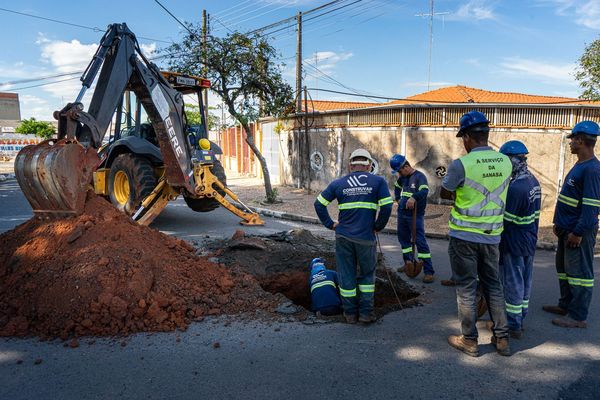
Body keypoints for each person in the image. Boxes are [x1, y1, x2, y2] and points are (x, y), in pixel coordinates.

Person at [441, 110, 513, 357]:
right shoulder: (506, 162)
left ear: (467, 138)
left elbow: (445, 192)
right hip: (493, 236)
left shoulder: (461, 164)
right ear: (487, 134)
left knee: (467, 289)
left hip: (464, 236)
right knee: (494, 286)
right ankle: (502, 338)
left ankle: (469, 340)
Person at [314, 149, 393, 324]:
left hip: (343, 238)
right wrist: (377, 226)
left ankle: (349, 314)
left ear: (350, 166)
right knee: (366, 276)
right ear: (370, 165)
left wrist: (330, 224)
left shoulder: (338, 183)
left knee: (346, 275)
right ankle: (366, 314)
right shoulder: (378, 181)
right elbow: (387, 207)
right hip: (366, 238)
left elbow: (319, 204)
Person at [543, 120, 600, 328]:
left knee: (580, 274)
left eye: (572, 140)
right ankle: (565, 304)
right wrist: (558, 222)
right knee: (564, 269)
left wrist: (578, 232)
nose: (570, 143)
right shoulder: (580, 165)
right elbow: (569, 199)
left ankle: (578, 316)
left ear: (581, 141)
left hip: (578, 232)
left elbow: (591, 208)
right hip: (566, 229)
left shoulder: (592, 170)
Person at [498, 140, 542, 338]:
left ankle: (513, 324)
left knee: (513, 282)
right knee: (525, 281)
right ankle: (521, 316)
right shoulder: (533, 181)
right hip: (529, 239)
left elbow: (507, 221)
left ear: (512, 161)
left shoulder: (516, 188)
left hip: (515, 241)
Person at [390, 154, 435, 283]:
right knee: (404, 240)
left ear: (406, 166)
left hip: (415, 215)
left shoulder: (420, 177)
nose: (399, 174)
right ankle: (408, 263)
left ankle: (429, 271)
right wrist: (398, 199)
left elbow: (424, 191)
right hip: (402, 213)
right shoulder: (402, 178)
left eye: (399, 171)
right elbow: (397, 187)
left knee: (419, 241)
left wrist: (414, 197)